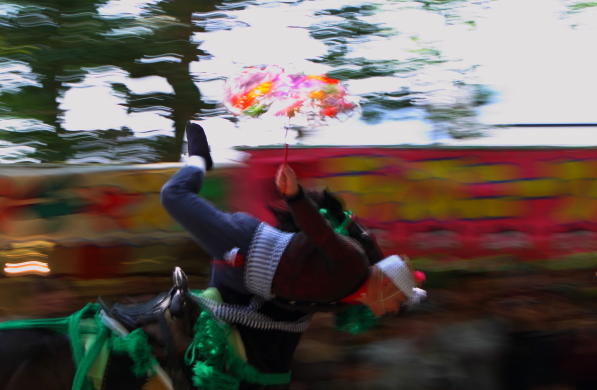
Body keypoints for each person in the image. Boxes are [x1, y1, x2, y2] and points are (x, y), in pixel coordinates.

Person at [160, 122, 425, 332]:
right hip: (244, 244)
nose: (393, 310)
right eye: (398, 302)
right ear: (387, 285)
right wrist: (295, 195)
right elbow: (319, 232)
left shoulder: (347, 300)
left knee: (210, 336)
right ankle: (198, 161)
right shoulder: (353, 264)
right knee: (172, 194)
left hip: (245, 282)